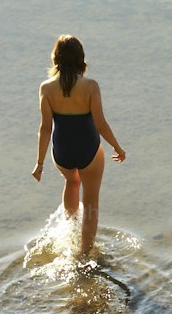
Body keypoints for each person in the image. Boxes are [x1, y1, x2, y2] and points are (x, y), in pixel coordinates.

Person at [32, 35, 125, 257]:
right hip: (88, 150)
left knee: (71, 181)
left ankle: (70, 230)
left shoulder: (46, 88)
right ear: (81, 59)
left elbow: (45, 128)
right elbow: (100, 124)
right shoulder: (90, 86)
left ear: (56, 59)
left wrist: (39, 163)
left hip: (61, 151)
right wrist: (117, 148)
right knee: (91, 200)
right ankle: (84, 254)